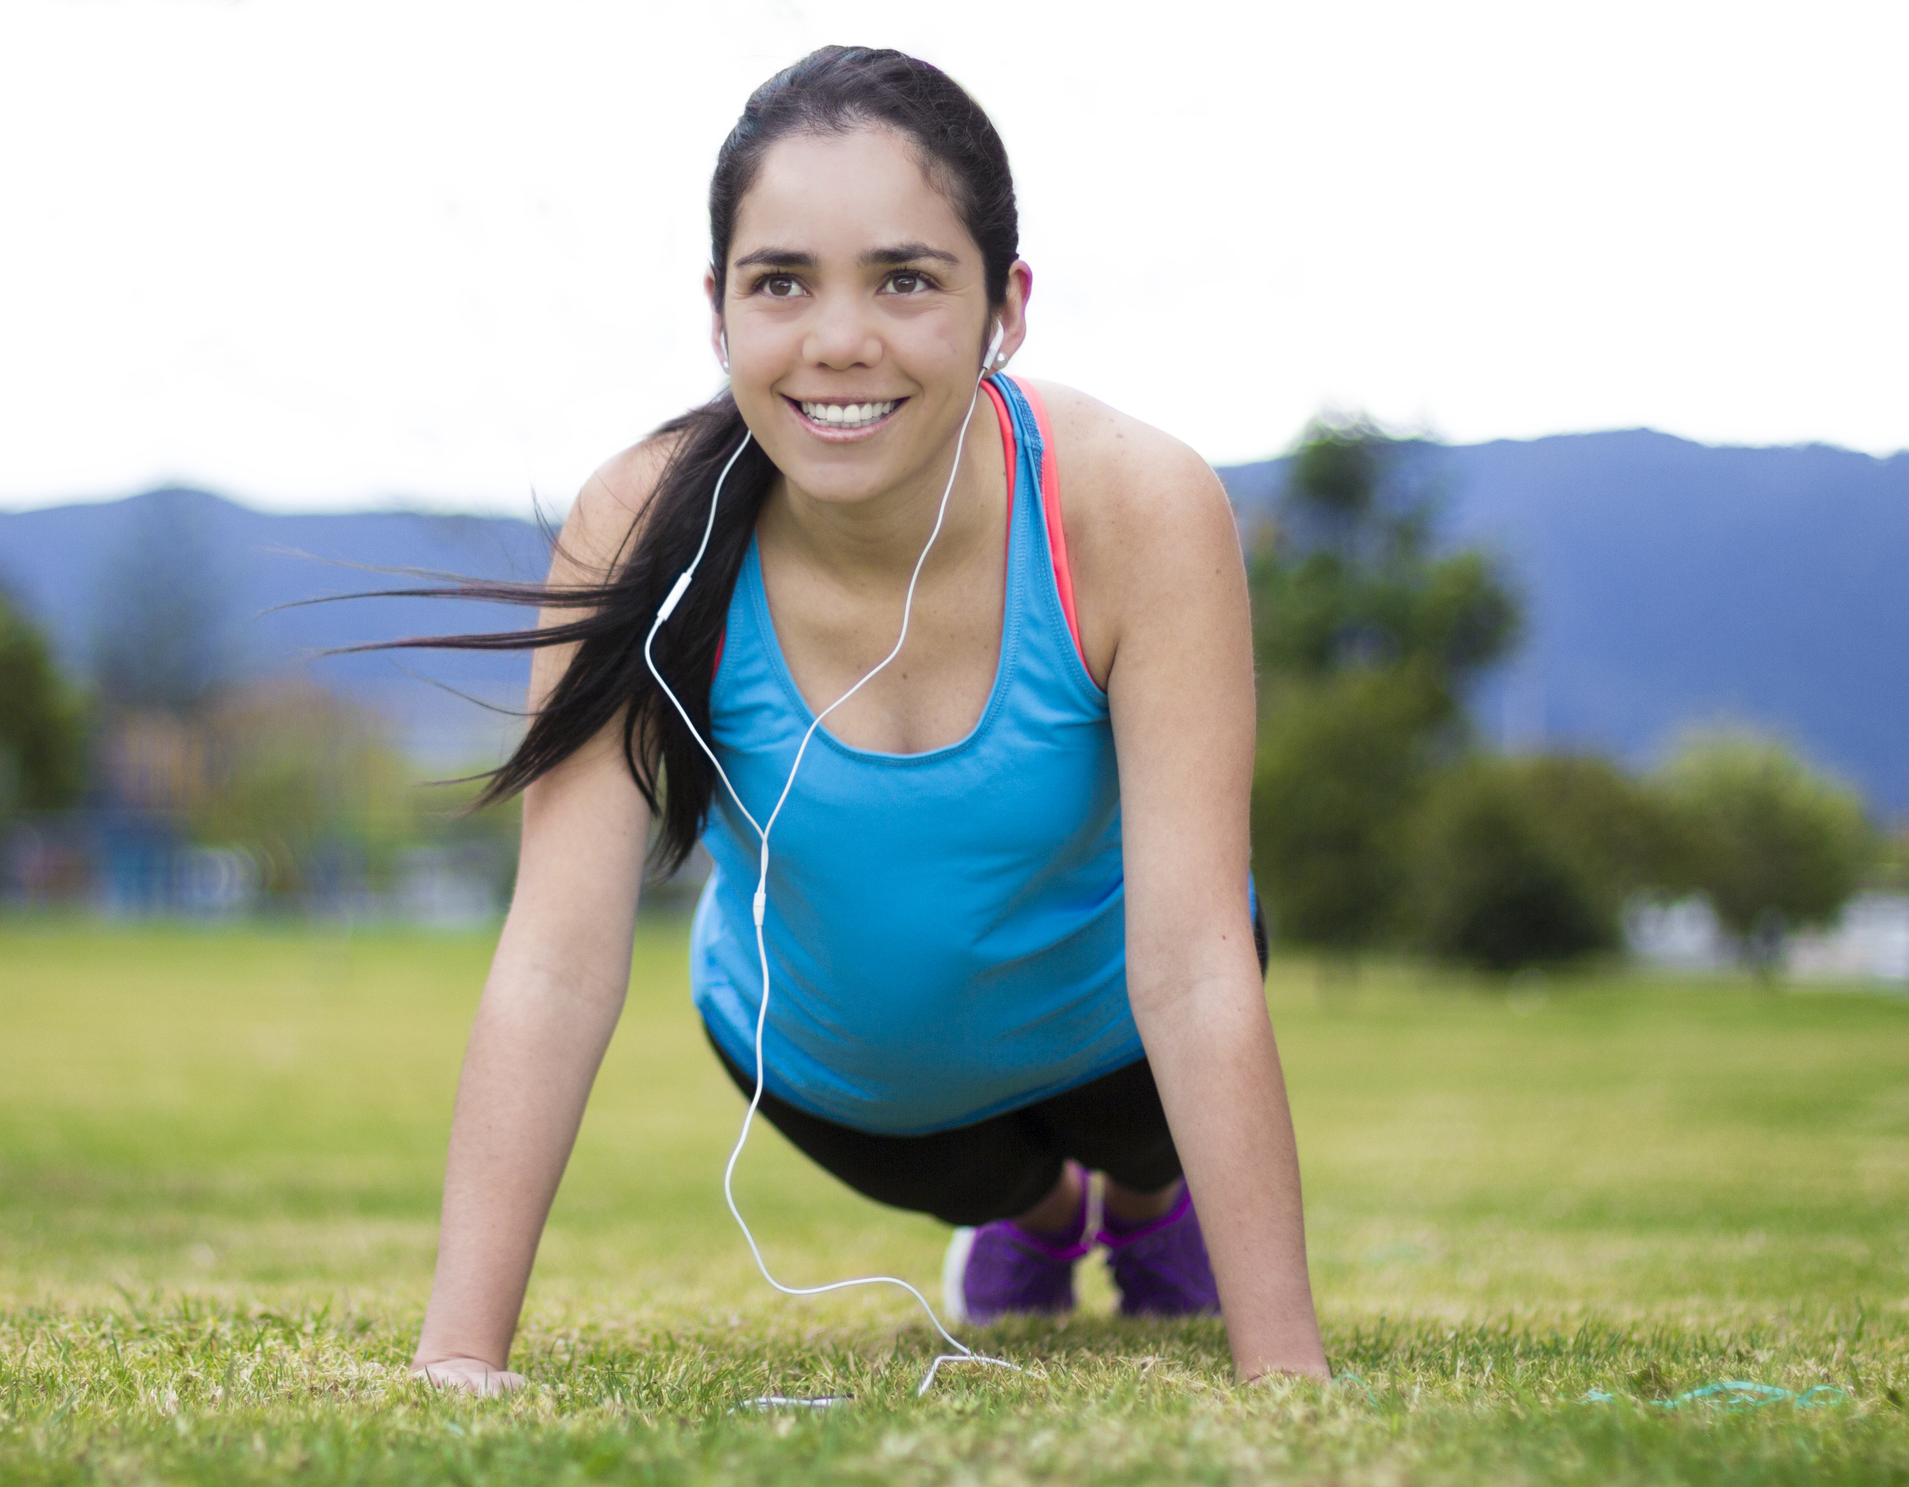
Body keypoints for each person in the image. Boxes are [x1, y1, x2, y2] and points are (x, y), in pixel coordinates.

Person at [404, 45, 1328, 1394]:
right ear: (717, 314)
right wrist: (458, 1357)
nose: (840, 339)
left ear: (1005, 307)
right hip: (848, 1078)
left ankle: (1137, 1209)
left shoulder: (1137, 505)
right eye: (780, 283)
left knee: (1143, 1139)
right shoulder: (640, 526)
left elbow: (1190, 967)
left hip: (1114, 1036)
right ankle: (1037, 1217)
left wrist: (1286, 1378)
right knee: (987, 1176)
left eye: (905, 278)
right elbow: (554, 957)